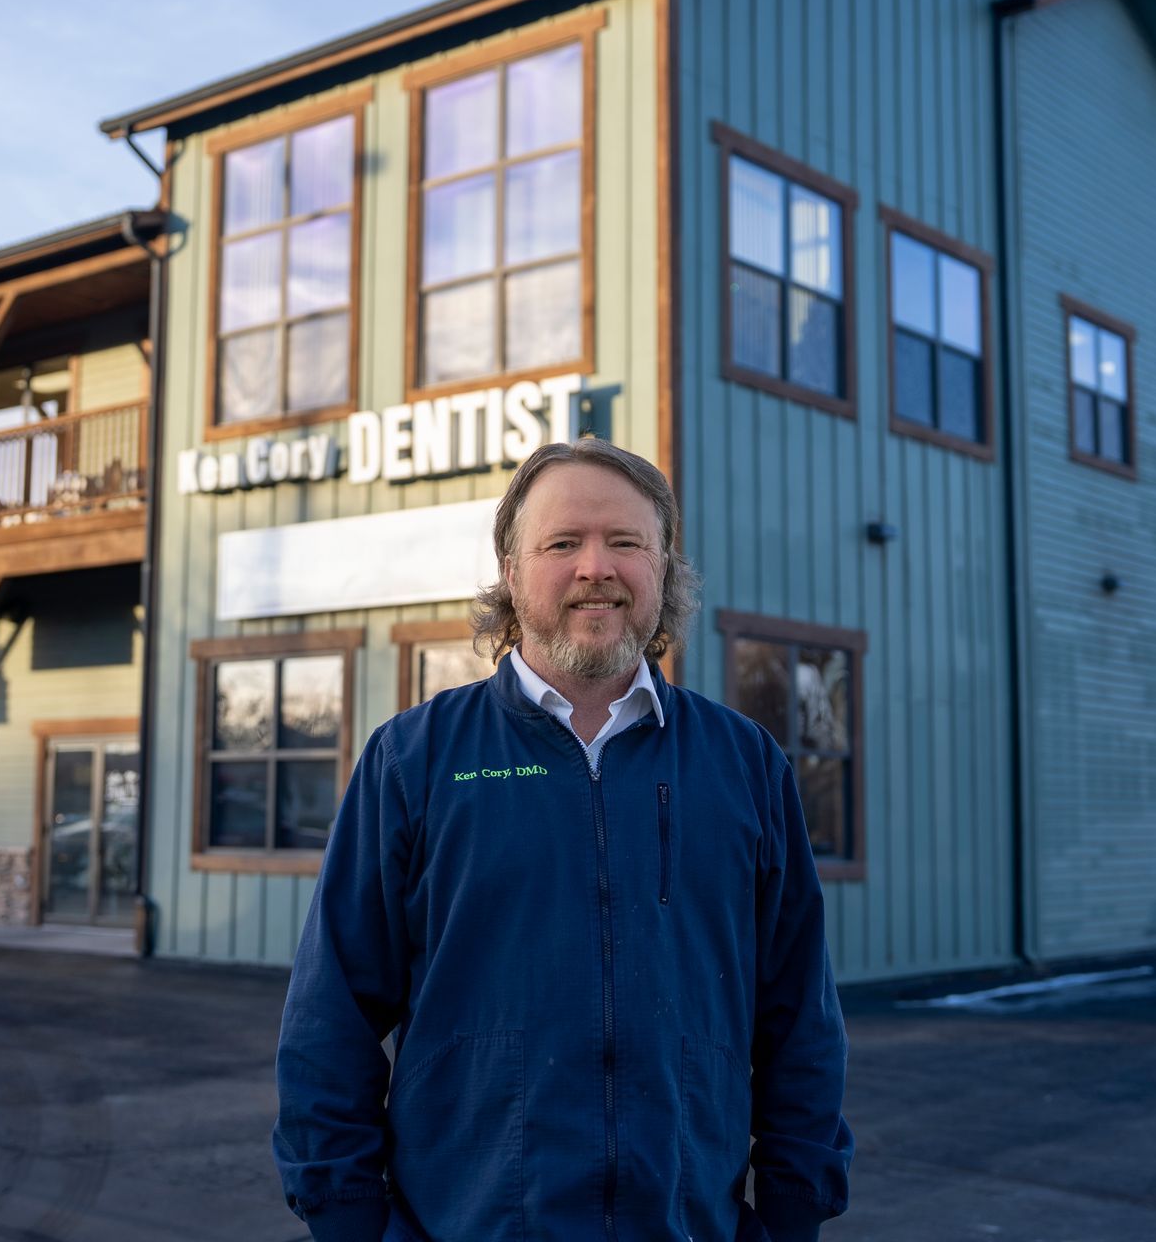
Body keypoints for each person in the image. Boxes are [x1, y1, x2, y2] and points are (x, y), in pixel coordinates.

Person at [273, 437, 852, 1241]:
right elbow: (328, 1019)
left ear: (664, 568)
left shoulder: (743, 762)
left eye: (626, 542)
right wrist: (348, 1220)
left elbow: (800, 1019)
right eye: (562, 543)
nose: (596, 567)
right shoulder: (414, 759)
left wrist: (792, 1214)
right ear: (511, 573)